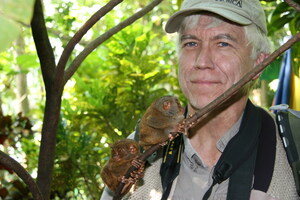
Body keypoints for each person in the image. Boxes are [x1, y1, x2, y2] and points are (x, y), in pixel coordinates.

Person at [100, 0, 299, 199]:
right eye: (191, 43)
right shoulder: (138, 154)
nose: (202, 61)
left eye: (223, 43)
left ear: (259, 63)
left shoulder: (291, 149)